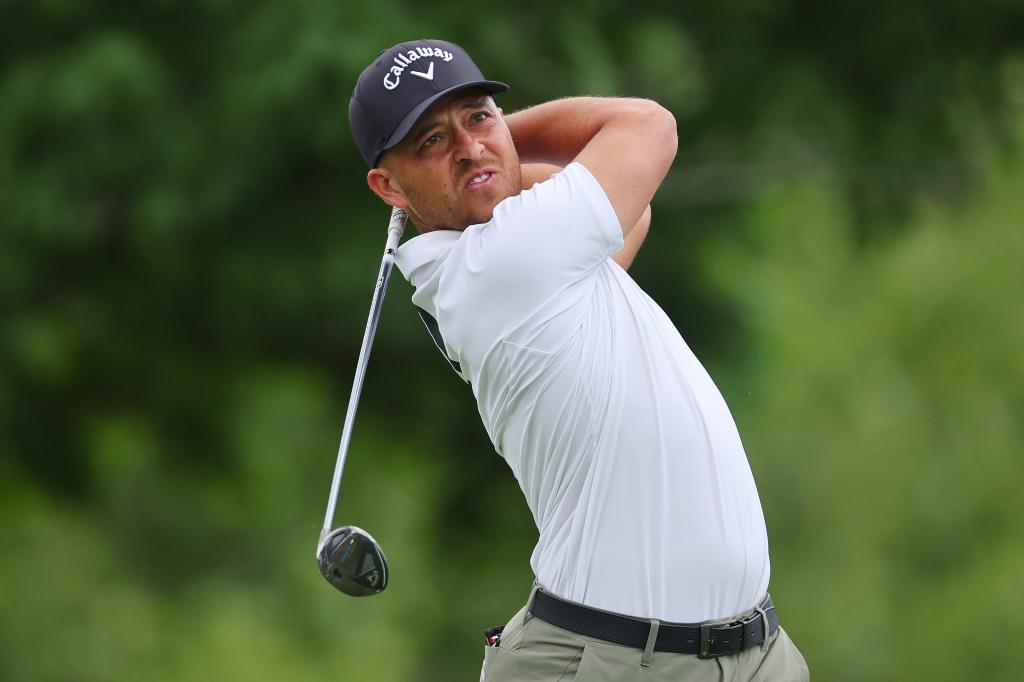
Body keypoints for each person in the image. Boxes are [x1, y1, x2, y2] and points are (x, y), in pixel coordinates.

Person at [348, 39, 809, 681]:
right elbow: (649, 127)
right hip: (615, 661)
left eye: (479, 117)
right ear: (386, 185)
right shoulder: (505, 261)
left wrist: (480, 162)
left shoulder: (517, 259)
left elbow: (632, 209)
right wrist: (500, 141)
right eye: (430, 140)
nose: (468, 145)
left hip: (750, 656)